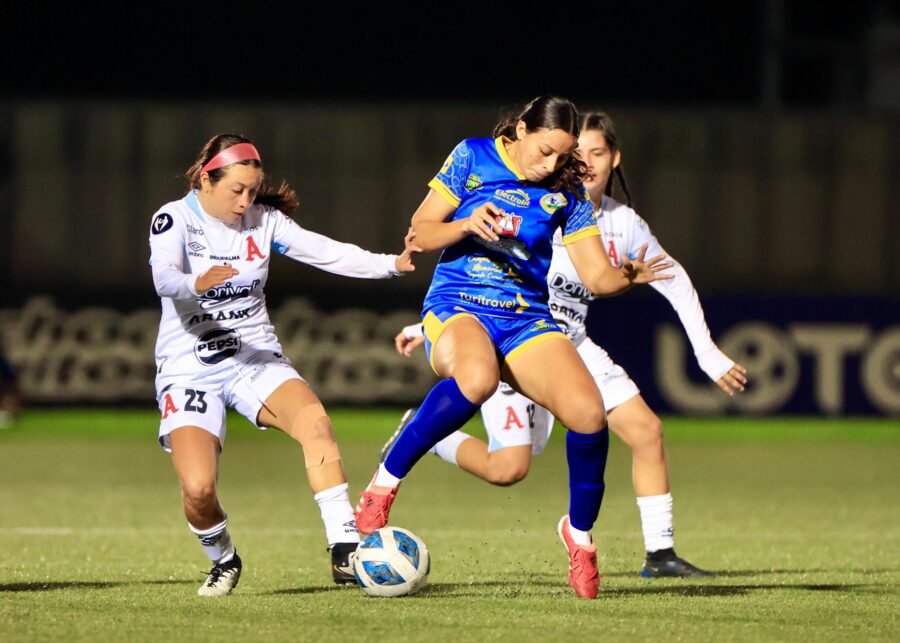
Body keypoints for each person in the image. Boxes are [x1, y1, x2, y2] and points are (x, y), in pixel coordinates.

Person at [391, 110, 748, 579]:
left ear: (614, 159)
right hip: (512, 336)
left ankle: (659, 555)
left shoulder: (621, 224)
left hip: (570, 343)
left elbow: (669, 276)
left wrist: (706, 353)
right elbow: (486, 277)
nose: (585, 162)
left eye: (595, 153)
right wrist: (428, 327)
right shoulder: (530, 197)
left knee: (645, 430)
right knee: (509, 468)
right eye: (578, 153)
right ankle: (424, 434)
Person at [354, 96, 673, 599]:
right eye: (545, 151)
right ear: (522, 129)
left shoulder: (566, 190)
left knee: (589, 415)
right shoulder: (473, 156)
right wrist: (466, 224)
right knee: (477, 378)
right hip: (459, 303)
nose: (551, 164)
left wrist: (626, 275)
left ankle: (580, 537)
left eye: (562, 156)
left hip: (525, 317)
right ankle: (383, 484)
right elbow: (420, 233)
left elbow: (596, 277)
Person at [149, 133, 417, 596]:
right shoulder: (174, 218)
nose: (246, 201)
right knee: (198, 490)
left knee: (315, 423)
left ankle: (344, 548)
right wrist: (196, 282)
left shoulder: (264, 221)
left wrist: (390, 264)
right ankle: (223, 558)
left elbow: (326, 251)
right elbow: (163, 277)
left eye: (253, 191)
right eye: (237, 190)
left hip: (254, 356)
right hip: (189, 366)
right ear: (206, 180)